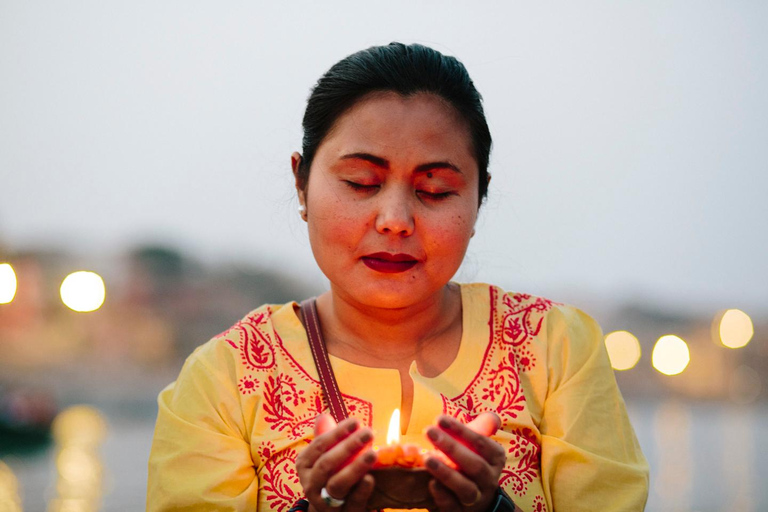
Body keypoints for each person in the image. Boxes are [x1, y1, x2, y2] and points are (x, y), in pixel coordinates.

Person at [147, 42, 649, 511]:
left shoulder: (554, 349)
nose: (395, 219)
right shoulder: (226, 377)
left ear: (478, 199)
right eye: (361, 182)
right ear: (301, 184)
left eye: (435, 190)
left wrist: (494, 508)